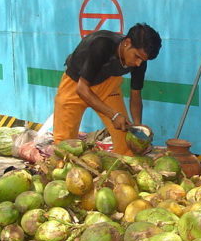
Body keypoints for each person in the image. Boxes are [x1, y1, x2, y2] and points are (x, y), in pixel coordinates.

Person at [52, 23, 162, 155]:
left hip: (108, 86)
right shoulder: (101, 45)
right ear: (127, 42)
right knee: (64, 146)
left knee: (126, 143)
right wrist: (113, 115)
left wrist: (137, 128)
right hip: (75, 85)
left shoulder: (140, 62)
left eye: (143, 60)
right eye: (137, 57)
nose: (138, 63)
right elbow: (82, 89)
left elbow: (136, 94)